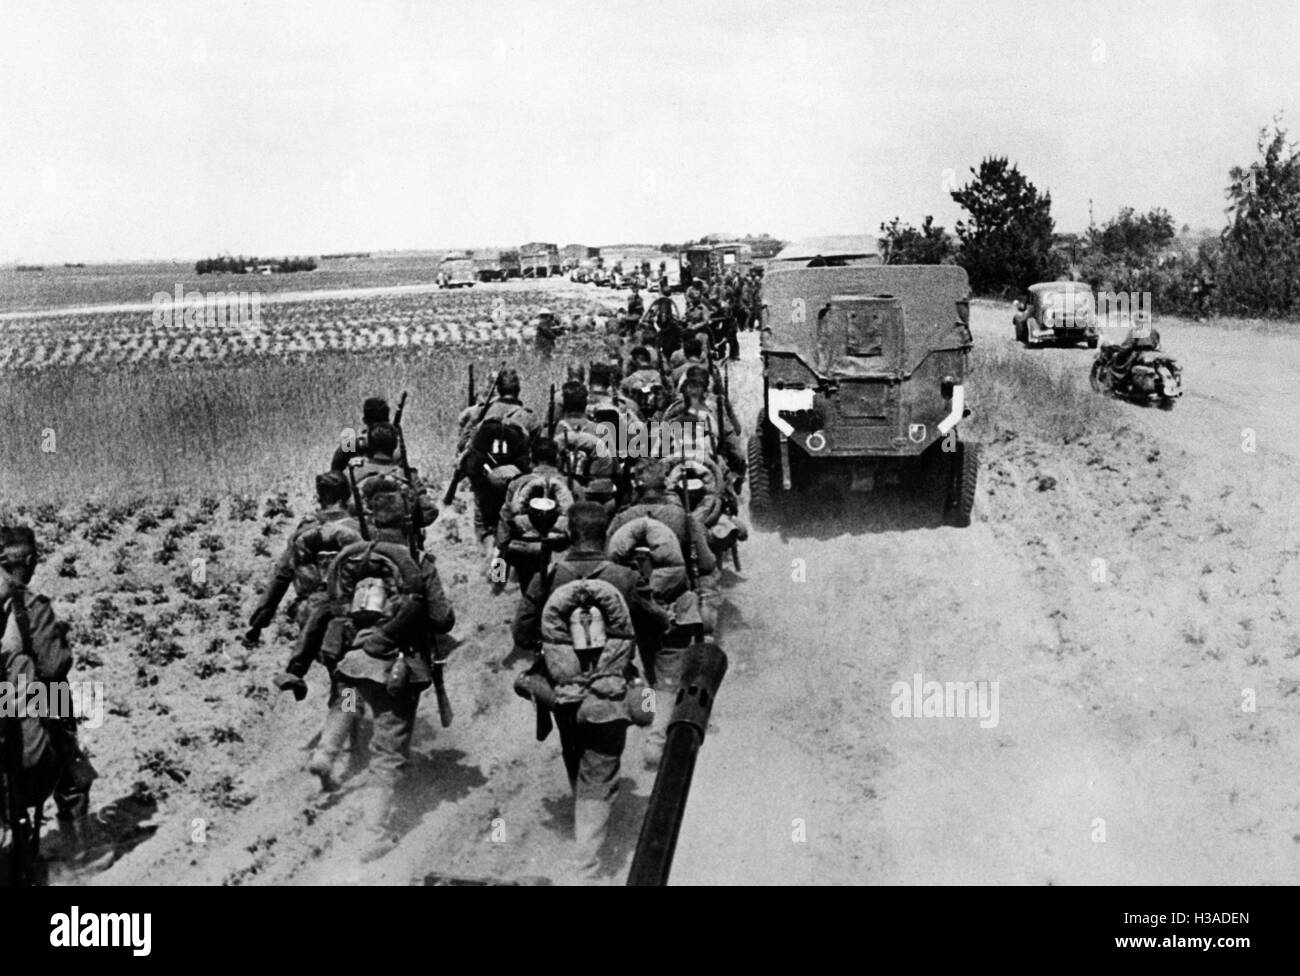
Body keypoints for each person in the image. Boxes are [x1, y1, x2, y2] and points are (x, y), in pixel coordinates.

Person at [308, 492, 455, 862]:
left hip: (354, 661)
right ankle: (372, 835)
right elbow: (441, 620)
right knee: (388, 750)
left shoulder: (354, 557)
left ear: (371, 520)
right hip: (396, 669)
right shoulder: (416, 561)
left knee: (349, 700)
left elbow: (333, 605)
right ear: (408, 523)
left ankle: (326, 750)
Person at [511, 503, 653, 880]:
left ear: (570, 535)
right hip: (611, 687)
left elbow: (522, 634)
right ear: (606, 534)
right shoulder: (625, 577)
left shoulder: (549, 576)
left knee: (574, 750)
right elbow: (654, 625)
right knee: (600, 768)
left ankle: (586, 816)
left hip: (561, 687)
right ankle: (585, 863)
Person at [0, 525, 105, 881]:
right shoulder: (30, 604)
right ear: (29, 561)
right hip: (28, 702)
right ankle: (80, 851)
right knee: (72, 767)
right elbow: (53, 666)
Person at [605, 462, 719, 768]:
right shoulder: (681, 517)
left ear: (636, 487)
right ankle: (656, 745)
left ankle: (652, 718)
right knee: (669, 677)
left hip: (636, 610)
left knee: (652, 666)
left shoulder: (620, 520)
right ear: (664, 487)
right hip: (675, 609)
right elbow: (707, 563)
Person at [247, 473, 363, 700]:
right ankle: (349, 714)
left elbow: (280, 579)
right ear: (347, 496)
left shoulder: (303, 532)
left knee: (337, 674)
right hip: (355, 612)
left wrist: (258, 625)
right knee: (348, 680)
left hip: (310, 613)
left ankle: (343, 709)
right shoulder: (361, 529)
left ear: (320, 498)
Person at [331, 397, 404, 471]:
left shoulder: (350, 445)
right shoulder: (396, 446)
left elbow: (334, 475)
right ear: (388, 421)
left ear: (365, 420)